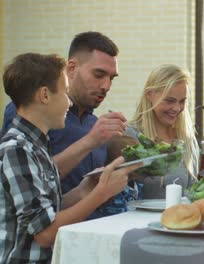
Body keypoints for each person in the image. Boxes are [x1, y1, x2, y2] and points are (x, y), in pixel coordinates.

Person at [0, 53, 141, 263]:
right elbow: (45, 234)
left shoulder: (37, 145)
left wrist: (84, 190)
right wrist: (101, 194)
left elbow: (45, 211)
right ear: (45, 95)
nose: (68, 102)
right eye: (65, 93)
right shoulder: (17, 148)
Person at [1, 31, 135, 219]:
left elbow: (83, 192)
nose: (106, 86)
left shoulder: (95, 124)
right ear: (71, 69)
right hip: (46, 241)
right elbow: (24, 175)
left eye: (112, 78)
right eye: (99, 74)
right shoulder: (30, 111)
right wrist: (90, 141)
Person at [129, 64, 199, 198]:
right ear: (150, 95)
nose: (177, 108)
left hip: (180, 217)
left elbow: (192, 191)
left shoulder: (186, 138)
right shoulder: (131, 136)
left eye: (182, 101)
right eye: (169, 101)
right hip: (139, 219)